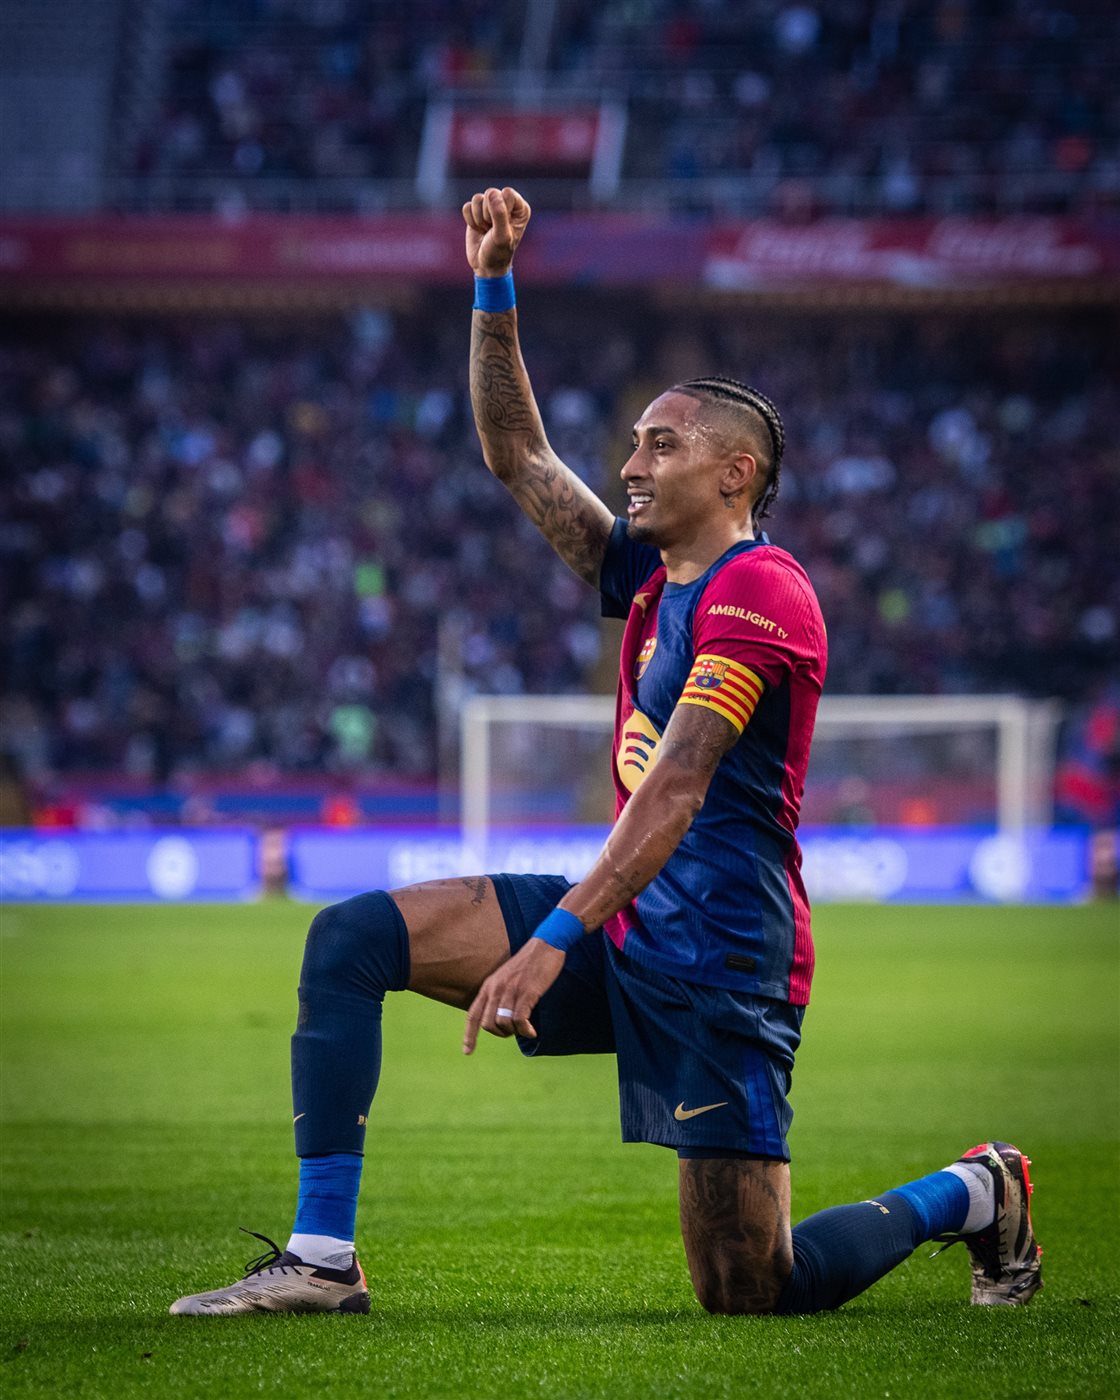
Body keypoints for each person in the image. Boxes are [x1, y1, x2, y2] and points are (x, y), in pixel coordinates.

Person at [170, 188, 1042, 1317]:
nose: (631, 462)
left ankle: (975, 1190)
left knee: (749, 1287)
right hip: (627, 923)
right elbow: (516, 452)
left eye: (659, 444)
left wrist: (550, 940)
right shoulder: (649, 572)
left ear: (734, 473)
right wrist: (493, 282)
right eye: (633, 441)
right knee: (351, 937)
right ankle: (321, 1257)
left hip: (723, 954)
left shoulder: (763, 593)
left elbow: (675, 788)